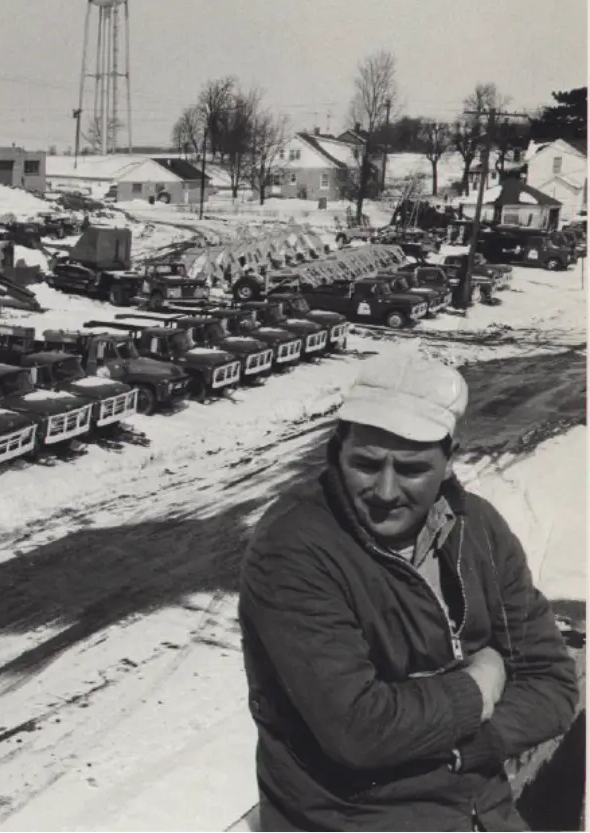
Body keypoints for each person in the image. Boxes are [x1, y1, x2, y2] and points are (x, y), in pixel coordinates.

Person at [239, 353, 579, 833]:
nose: (384, 490)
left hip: (482, 810)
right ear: (336, 453)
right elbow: (360, 729)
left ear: (449, 461)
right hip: (357, 822)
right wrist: (482, 683)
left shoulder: (477, 529)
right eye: (366, 463)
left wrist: (477, 743)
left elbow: (552, 682)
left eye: (412, 469)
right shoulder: (295, 549)